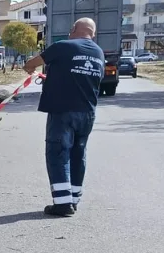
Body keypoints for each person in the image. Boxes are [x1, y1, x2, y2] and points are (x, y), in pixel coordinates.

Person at [23, 18, 105, 217]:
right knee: (79, 154)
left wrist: (29, 68)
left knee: (58, 152)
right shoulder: (98, 53)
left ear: (73, 29)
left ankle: (62, 203)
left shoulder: (63, 46)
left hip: (63, 111)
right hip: (87, 113)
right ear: (92, 34)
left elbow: (34, 63)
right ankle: (74, 199)